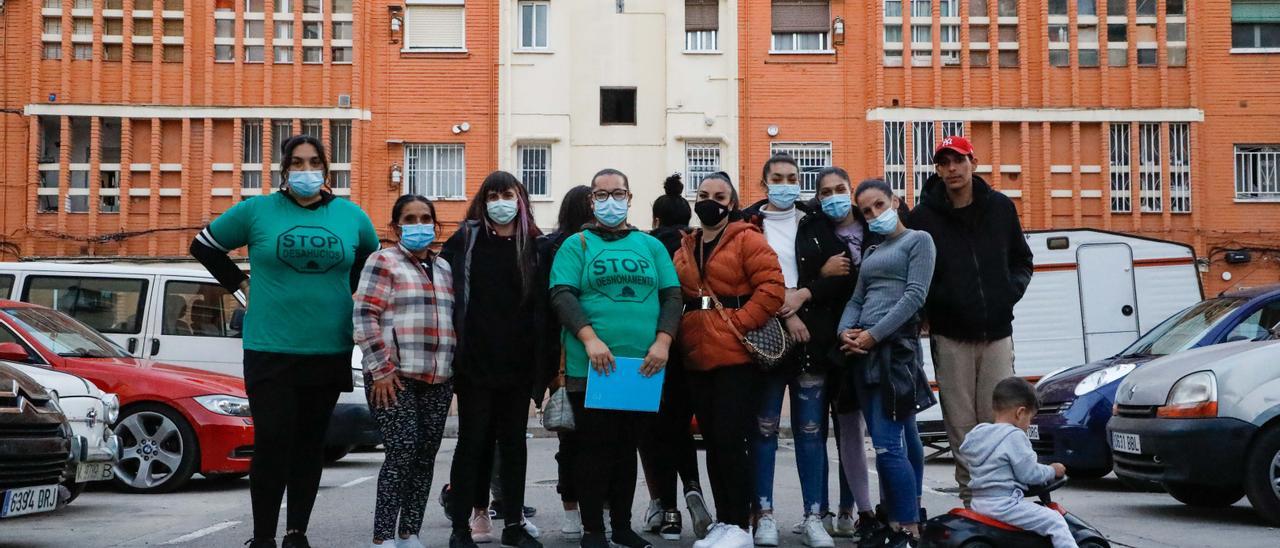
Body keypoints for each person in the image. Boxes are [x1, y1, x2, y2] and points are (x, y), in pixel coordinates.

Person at [190, 134, 380, 548]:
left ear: (327, 171)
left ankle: (297, 533)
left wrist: (340, 296)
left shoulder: (352, 216)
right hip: (270, 348)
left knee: (311, 445)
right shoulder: (257, 211)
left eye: (314, 163)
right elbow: (203, 246)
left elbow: (368, 263)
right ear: (284, 170)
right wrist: (241, 284)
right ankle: (263, 537)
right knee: (273, 441)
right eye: (297, 163)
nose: (306, 170)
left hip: (328, 347)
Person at [550, 168, 683, 548]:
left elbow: (672, 296)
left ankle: (621, 526)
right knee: (593, 449)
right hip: (592, 366)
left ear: (629, 198)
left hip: (641, 367)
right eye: (601, 194)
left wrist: (663, 342)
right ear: (591, 200)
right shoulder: (577, 245)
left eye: (618, 193)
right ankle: (593, 530)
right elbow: (562, 294)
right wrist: (589, 339)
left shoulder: (650, 246)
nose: (611, 200)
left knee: (627, 450)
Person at [907, 136, 1034, 506]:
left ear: (973, 163)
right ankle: (972, 502)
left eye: (958, 161)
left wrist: (1008, 294)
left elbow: (1022, 261)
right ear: (938, 170)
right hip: (950, 336)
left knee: (999, 421)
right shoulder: (923, 218)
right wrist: (930, 312)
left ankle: (1004, 501)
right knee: (961, 426)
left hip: (996, 333)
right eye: (944, 163)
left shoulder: (1000, 208)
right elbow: (918, 274)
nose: (952, 169)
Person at [674, 171, 785, 548]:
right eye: (703, 193)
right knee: (711, 439)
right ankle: (724, 520)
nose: (710, 201)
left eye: (719, 195)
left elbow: (772, 288)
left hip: (735, 355)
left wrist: (739, 322)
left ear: (732, 202)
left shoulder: (747, 239)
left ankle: (740, 524)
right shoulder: (686, 246)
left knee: (729, 438)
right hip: (695, 355)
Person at [442, 171, 546, 548]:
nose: (500, 202)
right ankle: (461, 525)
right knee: (472, 443)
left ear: (520, 199)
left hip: (519, 364)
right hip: (474, 362)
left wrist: (543, 369)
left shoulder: (535, 245)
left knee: (514, 443)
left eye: (508, 194)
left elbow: (544, 310)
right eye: (493, 195)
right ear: (483, 200)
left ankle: (513, 524)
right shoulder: (466, 240)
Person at [740, 156, 838, 548]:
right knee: (763, 429)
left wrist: (805, 294)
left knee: (811, 433)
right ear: (764, 183)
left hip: (811, 344)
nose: (785, 184)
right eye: (777, 178)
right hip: (765, 342)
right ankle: (763, 515)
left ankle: (814, 517)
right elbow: (743, 281)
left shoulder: (816, 223)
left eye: (792, 178)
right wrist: (786, 310)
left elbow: (839, 274)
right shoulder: (746, 224)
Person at [837, 179, 936, 548]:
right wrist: (844, 332)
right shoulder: (874, 251)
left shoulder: (919, 240)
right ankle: (906, 519)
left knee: (886, 444)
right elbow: (856, 299)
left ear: (895, 200)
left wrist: (872, 335)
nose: (875, 214)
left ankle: (907, 527)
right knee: (904, 437)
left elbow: (914, 296)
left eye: (880, 205)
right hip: (862, 352)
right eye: (866, 211)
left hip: (896, 353)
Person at [354, 195, 456, 548]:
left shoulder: (443, 269)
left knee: (425, 456)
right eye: (410, 219)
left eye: (425, 217)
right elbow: (364, 314)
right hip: (393, 377)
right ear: (397, 226)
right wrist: (381, 368)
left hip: (438, 377)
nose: (419, 224)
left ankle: (410, 533)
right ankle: (382, 537)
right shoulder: (383, 261)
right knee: (401, 453)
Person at [638, 174, 712, 541]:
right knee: (681, 427)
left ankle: (667, 509)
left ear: (655, 219)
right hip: (691, 346)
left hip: (650, 348)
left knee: (653, 433)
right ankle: (693, 486)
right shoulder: (694, 247)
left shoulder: (646, 246)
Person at [811, 168, 881, 542]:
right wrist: (821, 272)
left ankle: (855, 509)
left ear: (851, 191)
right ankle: (838, 510)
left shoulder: (875, 228)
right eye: (826, 192)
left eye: (840, 189)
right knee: (834, 431)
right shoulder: (814, 232)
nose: (834, 197)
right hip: (831, 345)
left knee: (875, 432)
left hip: (875, 341)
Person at [956, 378, 1075, 548]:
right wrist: (1051, 470)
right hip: (1004, 505)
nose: (1029, 424)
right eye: (1030, 418)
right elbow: (1030, 474)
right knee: (1055, 520)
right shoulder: (1014, 436)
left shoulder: (978, 434)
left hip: (979, 503)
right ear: (1020, 413)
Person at [539, 184, 595, 540]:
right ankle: (588, 511)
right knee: (590, 439)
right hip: (571, 353)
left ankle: (575, 513)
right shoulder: (563, 246)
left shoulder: (549, 245)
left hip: (560, 353)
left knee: (573, 441)